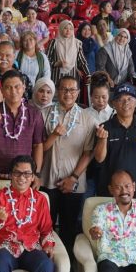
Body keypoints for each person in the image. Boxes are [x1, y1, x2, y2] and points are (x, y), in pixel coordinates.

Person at [40, 74, 97, 246]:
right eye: (64, 89)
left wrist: (73, 177)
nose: (68, 93)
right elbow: (38, 147)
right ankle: (46, 263)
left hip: (74, 183)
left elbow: (89, 152)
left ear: (78, 92)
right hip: (47, 180)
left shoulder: (87, 118)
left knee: (69, 227)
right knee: (44, 226)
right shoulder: (44, 114)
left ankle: (67, 267)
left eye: (72, 89)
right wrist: (54, 135)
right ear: (57, 91)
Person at [0, 70, 45, 185]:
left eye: (17, 86)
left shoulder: (34, 114)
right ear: (2, 90)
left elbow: (38, 145)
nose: (13, 91)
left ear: (23, 88)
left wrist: (36, 174)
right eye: (8, 87)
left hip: (23, 179)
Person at [92, 84, 136, 199]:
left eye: (129, 99)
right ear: (114, 104)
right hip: (109, 191)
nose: (126, 103)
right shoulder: (104, 127)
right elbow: (99, 158)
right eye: (120, 99)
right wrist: (102, 140)